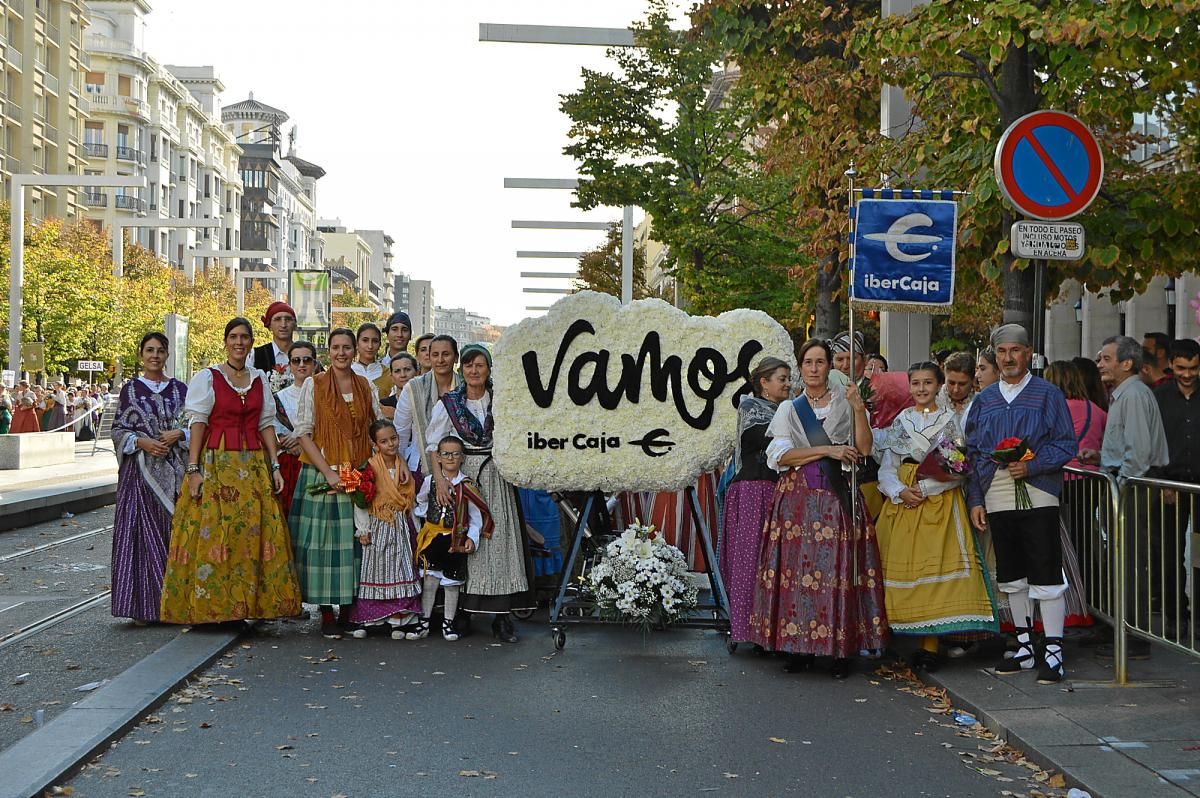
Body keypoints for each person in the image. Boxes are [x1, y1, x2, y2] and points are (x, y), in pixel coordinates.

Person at [748, 339, 887, 679]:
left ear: (829, 367)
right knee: (797, 573)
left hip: (836, 497)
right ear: (801, 367)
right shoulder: (789, 409)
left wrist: (858, 409)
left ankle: (840, 650)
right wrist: (830, 450)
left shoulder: (848, 402)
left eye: (820, 362)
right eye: (808, 362)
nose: (813, 368)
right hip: (797, 500)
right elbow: (780, 456)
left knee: (837, 573)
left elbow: (865, 448)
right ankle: (799, 648)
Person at [160, 318, 301, 625]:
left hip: (252, 466)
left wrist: (275, 465)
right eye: (234, 337)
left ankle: (251, 605)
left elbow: (266, 424)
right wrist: (194, 469)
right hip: (216, 463)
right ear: (226, 342)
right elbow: (198, 423)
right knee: (216, 533)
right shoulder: (208, 377)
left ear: (251, 343)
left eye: (245, 337)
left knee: (251, 535)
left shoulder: (259, 378)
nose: (239, 342)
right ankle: (215, 607)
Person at [964, 324, 1077, 684]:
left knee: (1044, 565)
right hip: (996, 488)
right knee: (1011, 571)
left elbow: (1065, 443)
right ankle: (1025, 646)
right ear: (995, 356)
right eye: (1002, 352)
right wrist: (976, 499)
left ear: (1028, 353)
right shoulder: (984, 400)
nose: (1008, 358)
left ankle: (1054, 650)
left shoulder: (1047, 394)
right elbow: (975, 453)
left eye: (1015, 351)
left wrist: (1033, 464)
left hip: (1038, 486)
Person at [875, 361, 997, 671]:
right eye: (915, 383)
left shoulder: (948, 422)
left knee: (933, 575)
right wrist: (899, 490)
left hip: (939, 505)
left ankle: (930, 645)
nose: (921, 389)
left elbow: (956, 470)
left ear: (938, 385)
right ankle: (895, 636)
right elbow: (888, 466)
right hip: (904, 504)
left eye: (928, 383)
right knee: (903, 573)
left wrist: (926, 488)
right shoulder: (902, 421)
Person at [426, 344, 534, 640]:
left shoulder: (501, 402)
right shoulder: (449, 404)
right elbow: (433, 446)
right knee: (461, 538)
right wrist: (442, 481)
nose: (474, 371)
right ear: (462, 370)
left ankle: (501, 616)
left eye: (480, 365)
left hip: (496, 475)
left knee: (497, 540)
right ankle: (462, 612)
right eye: (469, 365)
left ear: (488, 370)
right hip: (461, 475)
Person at [291, 327, 390, 639]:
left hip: (357, 471)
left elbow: (375, 429)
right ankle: (326, 612)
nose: (342, 353)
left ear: (355, 351)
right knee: (324, 543)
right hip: (323, 471)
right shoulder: (314, 385)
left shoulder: (365, 386)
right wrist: (329, 473)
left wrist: (374, 469)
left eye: (347, 347)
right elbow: (304, 433)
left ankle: (350, 609)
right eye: (336, 347)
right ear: (328, 351)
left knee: (354, 541)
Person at [1081, 335, 1169, 658]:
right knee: (1118, 558)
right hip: (1122, 484)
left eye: (1105, 358)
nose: (1100, 364)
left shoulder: (1132, 395)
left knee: (1130, 561)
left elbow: (1138, 453)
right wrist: (1102, 458)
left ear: (1126, 363)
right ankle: (1117, 625)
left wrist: (1120, 484)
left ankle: (1133, 632)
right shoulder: (1125, 395)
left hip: (1130, 489)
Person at [110, 332, 189, 624]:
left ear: (167, 355)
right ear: (141, 354)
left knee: (177, 535)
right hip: (141, 472)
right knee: (141, 537)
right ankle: (144, 606)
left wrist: (177, 436)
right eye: (149, 350)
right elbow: (118, 429)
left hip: (177, 467)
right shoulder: (130, 390)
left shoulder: (181, 389)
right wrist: (143, 443)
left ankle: (176, 603)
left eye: (160, 350)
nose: (154, 355)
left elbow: (195, 424)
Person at [720, 356, 792, 646]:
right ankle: (745, 629)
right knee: (749, 560)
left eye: (789, 378)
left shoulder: (788, 409)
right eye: (782, 379)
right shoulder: (750, 406)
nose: (788, 384)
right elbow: (763, 438)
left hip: (778, 488)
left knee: (776, 562)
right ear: (764, 383)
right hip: (752, 489)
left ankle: (771, 630)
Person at [1041, 360, 1103, 630]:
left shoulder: (1052, 410)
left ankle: (1067, 601)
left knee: (1059, 546)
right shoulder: (1097, 410)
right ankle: (1090, 597)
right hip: (1090, 482)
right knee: (1084, 540)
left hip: (1059, 480)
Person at [411, 435, 490, 641]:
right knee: (430, 580)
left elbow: (475, 516)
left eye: (455, 454)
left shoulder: (467, 485)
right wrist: (426, 520)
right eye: (446, 454)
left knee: (452, 583)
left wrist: (472, 538)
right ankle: (424, 622)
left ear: (462, 458)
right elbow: (420, 501)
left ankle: (448, 623)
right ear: (438, 458)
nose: (450, 458)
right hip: (433, 539)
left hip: (455, 541)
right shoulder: (430, 482)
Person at [348, 419, 422, 637]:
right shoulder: (369, 468)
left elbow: (411, 499)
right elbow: (361, 501)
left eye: (393, 438)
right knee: (376, 570)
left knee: (402, 568)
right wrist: (363, 529)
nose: (390, 444)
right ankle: (372, 620)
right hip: (378, 524)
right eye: (384, 441)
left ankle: (400, 618)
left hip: (400, 524)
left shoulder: (403, 466)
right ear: (374, 444)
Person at [1152, 338, 1200, 633]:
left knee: (1199, 556)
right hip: (1169, 485)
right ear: (1171, 364)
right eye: (1181, 368)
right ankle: (1175, 615)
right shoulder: (1159, 397)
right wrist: (1161, 479)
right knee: (1169, 553)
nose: (1187, 374)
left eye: (1193, 368)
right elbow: (1153, 440)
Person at [395, 335, 462, 478]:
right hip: (420, 464)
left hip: (461, 466)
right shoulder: (413, 388)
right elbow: (401, 432)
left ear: (456, 357)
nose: (440, 360)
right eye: (435, 355)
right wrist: (399, 463)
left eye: (446, 354)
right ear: (429, 358)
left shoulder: (465, 387)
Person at [273, 341, 318, 517]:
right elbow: (275, 434)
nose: (301, 365)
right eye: (296, 360)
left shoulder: (325, 395)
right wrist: (291, 442)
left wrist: (301, 441)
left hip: (316, 463)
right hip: (288, 465)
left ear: (314, 364)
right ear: (289, 364)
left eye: (306, 360)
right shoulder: (279, 398)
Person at [252, 301, 297, 375]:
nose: (283, 325)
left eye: (288, 319)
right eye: (278, 319)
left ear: (295, 325)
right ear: (269, 326)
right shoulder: (255, 356)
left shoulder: (306, 355)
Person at [351, 323, 391, 401]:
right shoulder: (347, 373)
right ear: (357, 344)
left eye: (375, 341)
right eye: (365, 340)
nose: (370, 346)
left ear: (379, 345)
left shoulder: (389, 375)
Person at [379, 352, 418, 419]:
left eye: (407, 369)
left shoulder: (428, 399)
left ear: (417, 373)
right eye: (397, 371)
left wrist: (396, 415)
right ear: (391, 377)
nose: (403, 375)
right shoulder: (385, 404)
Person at [940, 352, 975, 422]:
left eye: (962, 384)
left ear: (972, 380)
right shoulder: (933, 400)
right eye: (951, 383)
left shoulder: (981, 402)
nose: (956, 390)